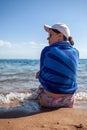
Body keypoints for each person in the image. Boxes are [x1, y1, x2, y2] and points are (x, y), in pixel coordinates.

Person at [35, 23, 79, 108]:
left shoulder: (47, 50)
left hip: (48, 101)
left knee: (40, 86)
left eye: (50, 35)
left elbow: (43, 77)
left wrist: (39, 74)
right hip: (70, 101)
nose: (47, 38)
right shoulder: (76, 52)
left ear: (60, 36)